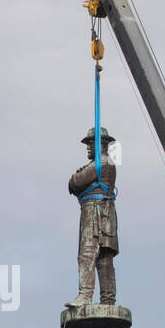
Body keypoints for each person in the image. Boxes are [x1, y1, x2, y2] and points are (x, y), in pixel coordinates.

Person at [66, 126, 119, 307]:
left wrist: (75, 180)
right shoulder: (103, 164)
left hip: (95, 212)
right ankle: (107, 300)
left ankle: (85, 296)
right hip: (103, 212)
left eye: (90, 143)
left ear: (100, 144)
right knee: (104, 259)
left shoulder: (102, 164)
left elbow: (76, 182)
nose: (88, 147)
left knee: (88, 254)